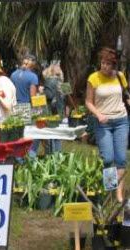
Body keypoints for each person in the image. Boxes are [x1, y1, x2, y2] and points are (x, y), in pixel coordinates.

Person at [85, 47, 129, 203]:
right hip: (103, 123)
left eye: (108, 64)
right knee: (108, 158)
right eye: (102, 63)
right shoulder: (93, 78)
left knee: (121, 159)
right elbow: (88, 102)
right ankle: (110, 190)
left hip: (121, 121)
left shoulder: (120, 76)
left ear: (113, 65)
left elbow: (126, 95)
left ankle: (118, 195)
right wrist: (98, 114)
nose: (104, 66)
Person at [11, 54, 41, 157]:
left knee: (17, 135)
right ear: (33, 64)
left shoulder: (13, 74)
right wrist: (38, 109)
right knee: (29, 135)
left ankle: (16, 158)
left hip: (15, 106)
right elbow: (33, 96)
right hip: (26, 107)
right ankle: (28, 158)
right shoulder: (33, 76)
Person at [42, 62, 65, 154]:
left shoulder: (49, 81)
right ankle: (58, 157)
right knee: (57, 137)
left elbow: (49, 96)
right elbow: (67, 97)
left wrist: (42, 91)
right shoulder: (62, 82)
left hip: (51, 112)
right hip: (60, 112)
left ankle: (50, 159)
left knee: (49, 137)